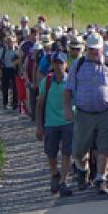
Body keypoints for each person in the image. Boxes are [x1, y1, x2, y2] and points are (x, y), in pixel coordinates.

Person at [63, 32, 108, 195]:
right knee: (78, 151)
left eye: (96, 49)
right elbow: (68, 89)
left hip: (106, 113)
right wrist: (67, 108)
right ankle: (83, 170)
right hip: (83, 114)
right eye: (91, 49)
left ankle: (100, 179)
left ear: (102, 49)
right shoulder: (78, 64)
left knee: (106, 149)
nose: (94, 53)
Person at [35, 52, 73, 198]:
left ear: (66, 64)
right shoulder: (47, 81)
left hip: (67, 122)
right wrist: (39, 126)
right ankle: (54, 174)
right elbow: (39, 104)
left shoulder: (70, 81)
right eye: (56, 63)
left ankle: (63, 182)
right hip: (51, 123)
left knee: (66, 152)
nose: (58, 66)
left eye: (61, 63)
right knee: (51, 153)